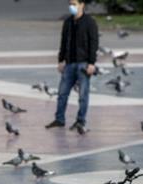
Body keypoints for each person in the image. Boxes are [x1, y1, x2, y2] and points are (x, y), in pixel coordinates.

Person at [46, 0, 98, 135]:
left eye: (74, 3)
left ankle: (81, 121)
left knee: (83, 95)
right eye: (70, 3)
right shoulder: (68, 22)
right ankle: (59, 119)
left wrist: (92, 63)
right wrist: (61, 60)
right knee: (62, 93)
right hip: (69, 63)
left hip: (83, 64)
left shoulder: (89, 22)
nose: (71, 6)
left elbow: (94, 43)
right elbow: (63, 42)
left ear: (82, 5)